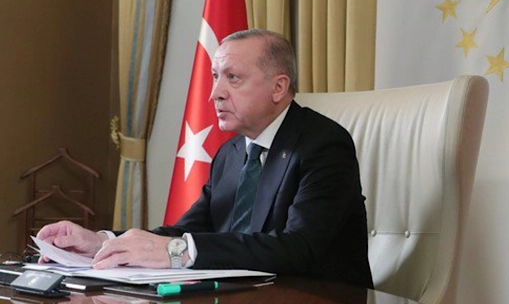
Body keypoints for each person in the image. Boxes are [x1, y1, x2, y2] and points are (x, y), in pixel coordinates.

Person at [37, 29, 373, 288]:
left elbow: (299, 248)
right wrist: (102, 242)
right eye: (215, 76)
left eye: (233, 77)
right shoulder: (231, 153)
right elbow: (188, 230)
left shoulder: (324, 145)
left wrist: (178, 252)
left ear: (278, 87)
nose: (215, 94)